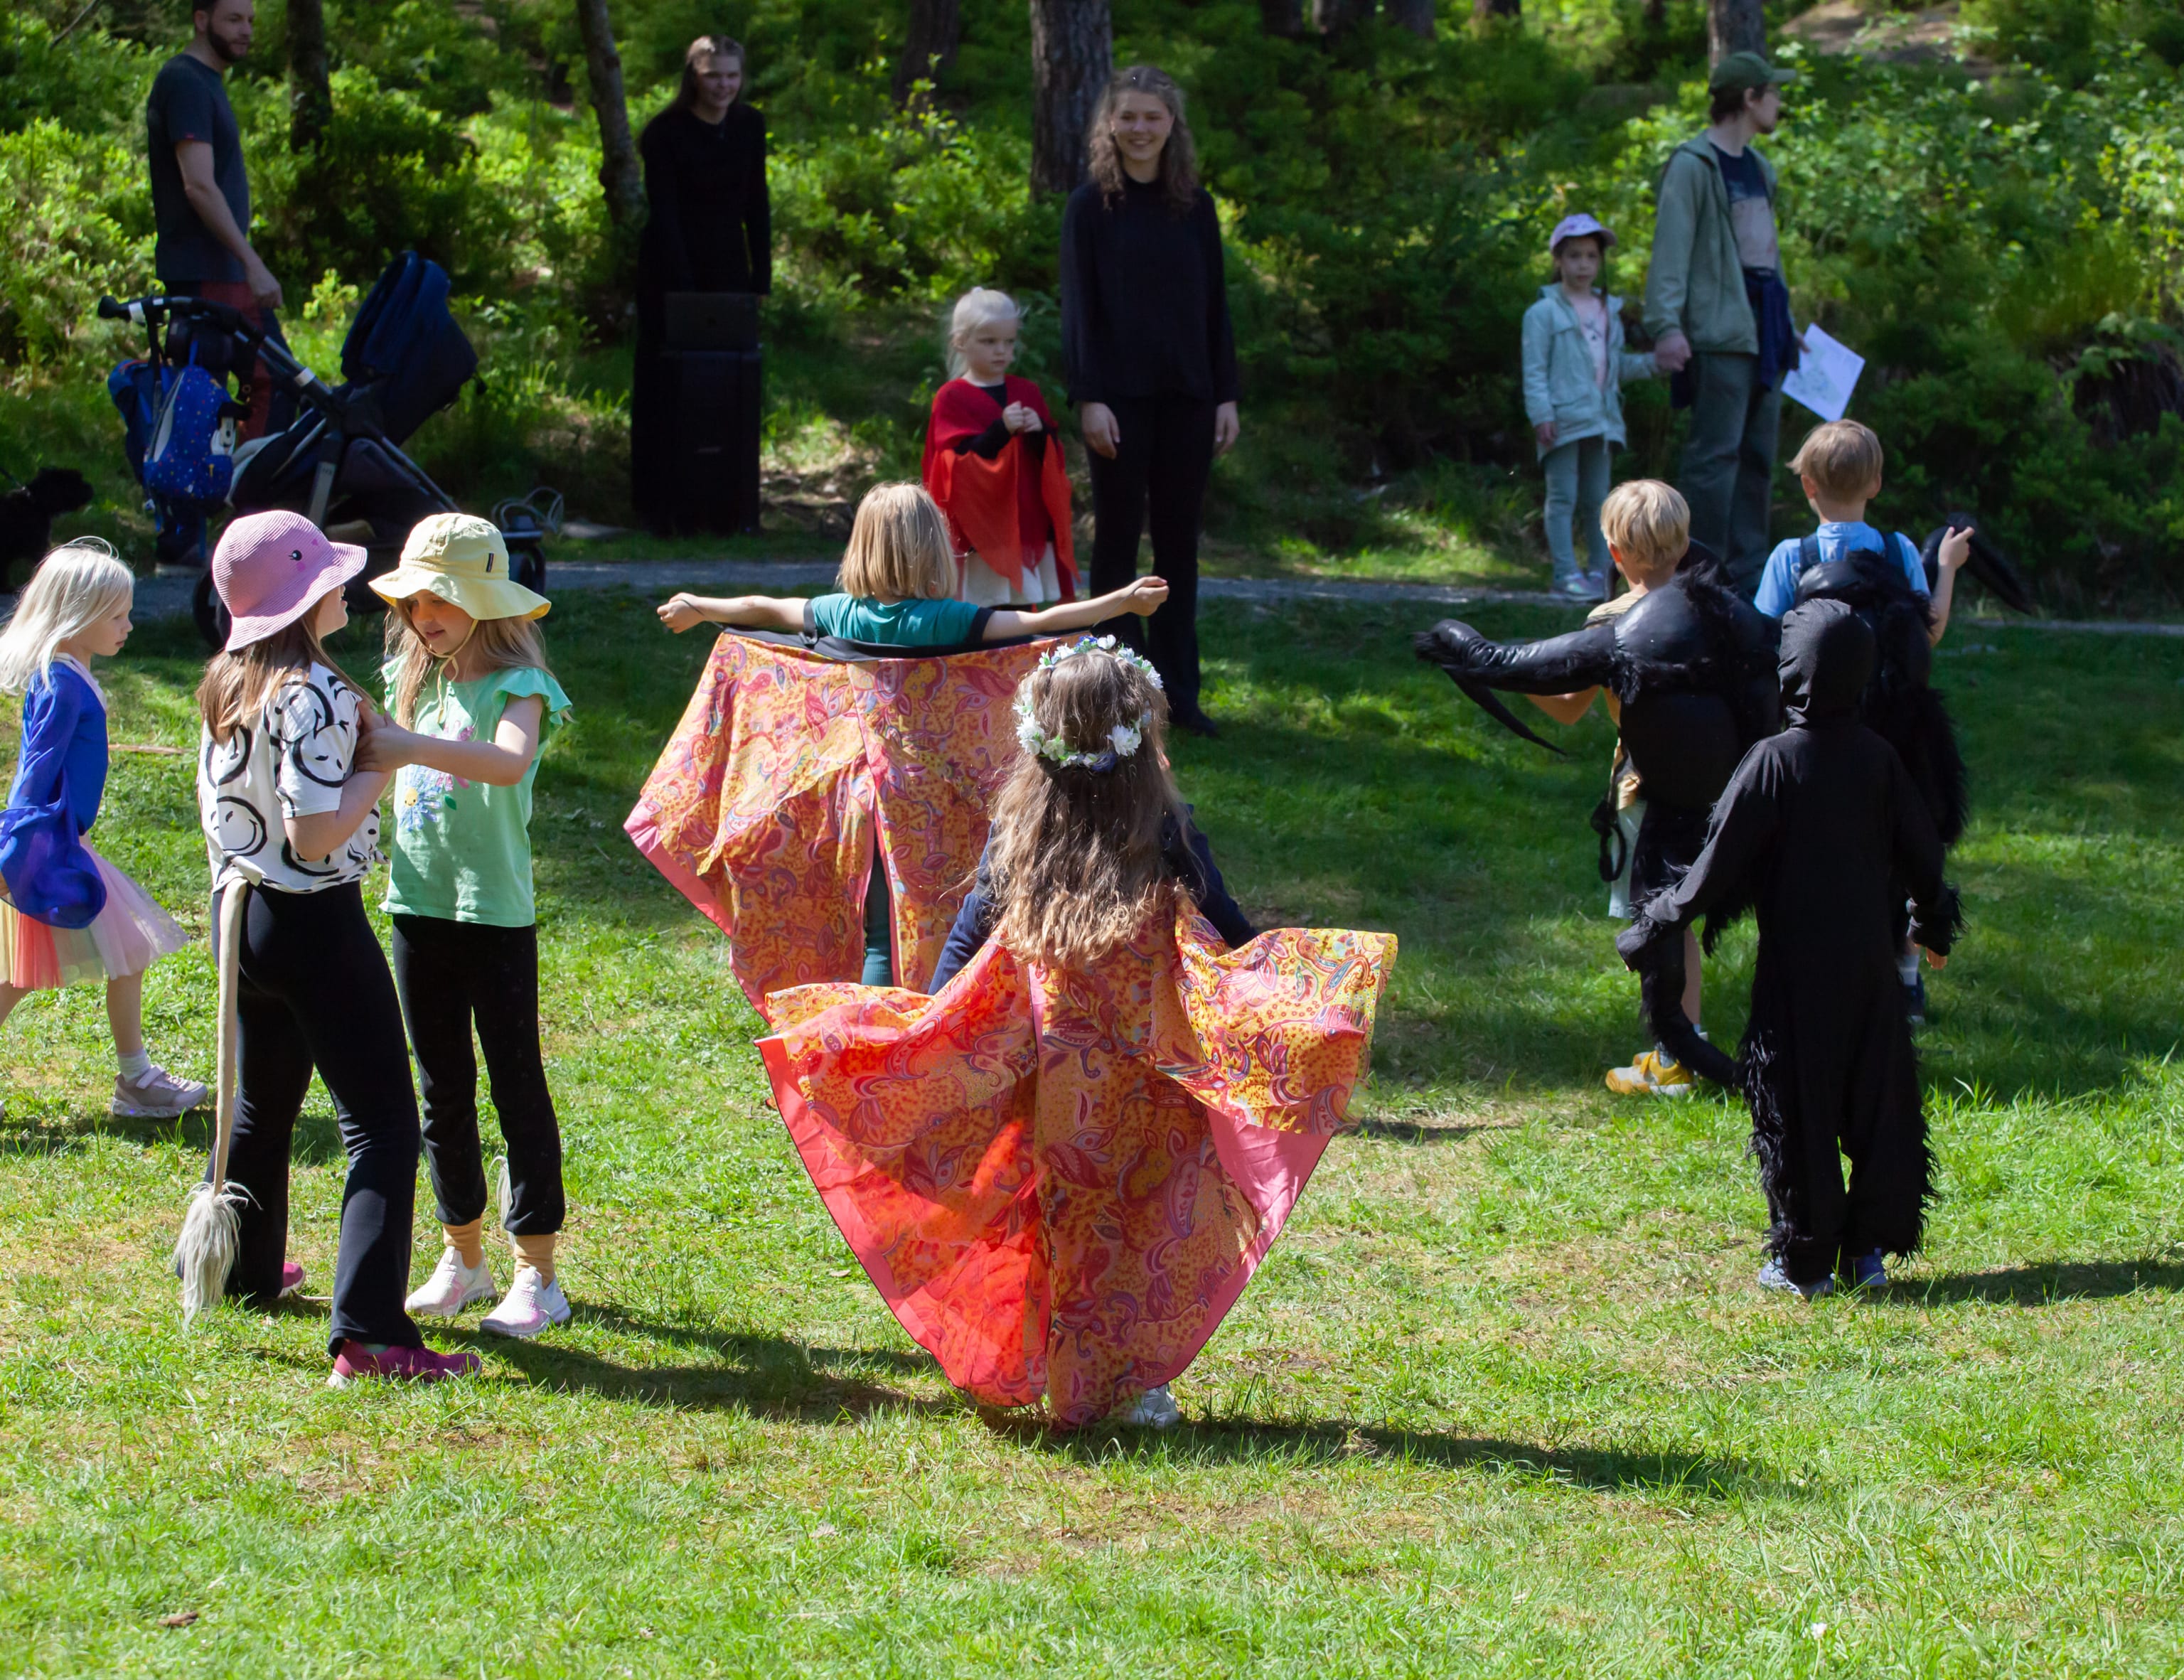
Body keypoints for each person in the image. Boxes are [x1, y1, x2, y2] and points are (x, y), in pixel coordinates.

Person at [756, 638, 1394, 1428]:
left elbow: (969, 928)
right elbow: (1225, 920)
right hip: (1140, 1068)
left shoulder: (1020, 821)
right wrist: (1276, 999)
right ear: (1140, 735)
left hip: (1047, 1061)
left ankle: (1066, 1360)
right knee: (1133, 1214)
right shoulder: (1164, 825)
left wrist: (928, 1016)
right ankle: (1118, 1377)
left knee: (1049, 1207)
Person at [657, 482, 1169, 985]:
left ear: (862, 548)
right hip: (934, 799)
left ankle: (873, 1037)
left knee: (877, 929)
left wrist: (700, 605)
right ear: (933, 550)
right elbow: (1044, 622)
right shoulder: (946, 620)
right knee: (946, 921)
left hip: (859, 797)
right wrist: (1120, 601)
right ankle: (914, 1037)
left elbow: (760, 606)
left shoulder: (839, 613)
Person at [195, 510, 477, 1386]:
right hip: (311, 917)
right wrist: (380, 768)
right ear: (301, 598)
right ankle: (370, 1333)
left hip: (241, 918)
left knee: (262, 1104)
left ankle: (241, 1272)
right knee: (385, 1127)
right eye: (326, 576)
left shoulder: (228, 678)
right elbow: (316, 833)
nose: (345, 587)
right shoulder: (309, 692)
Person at [1618, 599, 1960, 1299]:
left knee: (1794, 1108)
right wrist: (1931, 927)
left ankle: (1803, 1261)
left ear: (1792, 672)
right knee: (1876, 1100)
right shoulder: (1879, 760)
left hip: (1795, 979)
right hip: (1870, 972)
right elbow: (1926, 857)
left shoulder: (1771, 762)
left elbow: (1711, 870)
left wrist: (1651, 925)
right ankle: (1865, 1251)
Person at [1415, 482, 1779, 1097]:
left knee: (1666, 917)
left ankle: (1674, 1052)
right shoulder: (1723, 611)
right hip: (1730, 788)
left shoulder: (1614, 623)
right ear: (1687, 542)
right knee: (1686, 914)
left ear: (1614, 554)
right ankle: (1691, 1038)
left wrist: (1491, 664)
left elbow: (1563, 708)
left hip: (1650, 790)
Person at [349, 515, 574, 1341]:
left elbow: (510, 759)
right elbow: (373, 769)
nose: (425, 615)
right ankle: (462, 1254)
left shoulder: (517, 685)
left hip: (494, 916)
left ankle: (539, 1274)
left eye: (442, 598)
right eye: (413, 600)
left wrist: (407, 745)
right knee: (441, 1088)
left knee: (517, 1087)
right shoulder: (416, 682)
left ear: (484, 599)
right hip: (417, 907)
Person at [1755, 419, 1976, 1023]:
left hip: (1812, 736)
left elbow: (1763, 641)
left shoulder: (1789, 558)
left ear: (1806, 486)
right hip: (1890, 734)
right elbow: (1926, 632)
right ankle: (1905, 981)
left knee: (1819, 850)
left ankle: (1822, 972)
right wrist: (1948, 566)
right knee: (1895, 848)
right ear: (1876, 482)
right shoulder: (1901, 551)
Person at [1060, 65, 1239, 738]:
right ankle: (1109, 698)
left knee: (1177, 550)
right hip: (1117, 403)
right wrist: (1089, 397)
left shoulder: (1196, 207)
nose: (1140, 128)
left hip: (1190, 398)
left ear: (1173, 126)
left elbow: (1216, 308)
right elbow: (1078, 313)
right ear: (1110, 123)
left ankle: (1178, 698)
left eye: (1153, 117)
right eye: (1128, 116)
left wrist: (1226, 394)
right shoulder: (1089, 207)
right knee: (1114, 547)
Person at [0, 541, 203, 1120]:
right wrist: (14, 856)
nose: (129, 625)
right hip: (52, 847)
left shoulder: (72, 672)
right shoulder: (61, 683)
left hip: (62, 843)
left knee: (31, 973)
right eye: (117, 616)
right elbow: (33, 778)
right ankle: (137, 1080)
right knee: (124, 950)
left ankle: (136, 1078)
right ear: (76, 615)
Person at [1644, 51, 1798, 595]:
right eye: (1772, 92)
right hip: (1719, 333)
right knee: (1715, 461)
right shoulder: (1692, 164)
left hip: (1766, 331)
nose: (1779, 101)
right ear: (1749, 99)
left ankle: (1750, 585)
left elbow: (1767, 257)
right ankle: (1697, 578)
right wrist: (1666, 325)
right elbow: (1672, 252)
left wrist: (1790, 324)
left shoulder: (1760, 169)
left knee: (1758, 459)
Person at [632, 34, 771, 528]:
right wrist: (684, 285)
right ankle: (660, 504)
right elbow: (665, 212)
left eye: (732, 75)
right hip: (669, 268)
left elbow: (757, 199)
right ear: (693, 75)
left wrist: (762, 274)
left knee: (729, 378)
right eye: (714, 75)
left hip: (729, 263)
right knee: (665, 381)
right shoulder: (664, 132)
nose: (724, 85)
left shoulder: (750, 125)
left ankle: (726, 503)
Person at [145, 0, 291, 448]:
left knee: (221, 396)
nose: (246, 30)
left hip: (221, 270)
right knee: (273, 382)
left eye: (250, 21)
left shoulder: (206, 81)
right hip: (210, 271)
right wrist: (253, 264)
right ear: (201, 19)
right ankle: (251, 506)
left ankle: (220, 496)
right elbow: (199, 186)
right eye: (233, 19)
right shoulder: (186, 81)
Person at [1523, 214, 1661, 600]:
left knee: (1600, 501)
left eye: (1590, 257)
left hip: (1602, 421)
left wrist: (1654, 364)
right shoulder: (1542, 314)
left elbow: (1616, 366)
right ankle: (1565, 574)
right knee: (1562, 496)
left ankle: (1603, 573)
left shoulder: (1608, 311)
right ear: (1558, 261)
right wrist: (1542, 415)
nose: (1582, 265)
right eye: (1573, 256)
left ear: (1600, 262)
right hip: (1562, 420)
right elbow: (1534, 370)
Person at [922, 288, 1078, 606]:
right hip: (979, 532)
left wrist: (1040, 433)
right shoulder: (952, 397)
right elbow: (954, 466)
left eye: (1009, 342)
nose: (1001, 351)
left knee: (1022, 612)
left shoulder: (1027, 391)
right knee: (980, 610)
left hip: (1023, 522)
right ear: (961, 342)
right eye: (989, 341)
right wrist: (1000, 430)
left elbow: (1049, 460)